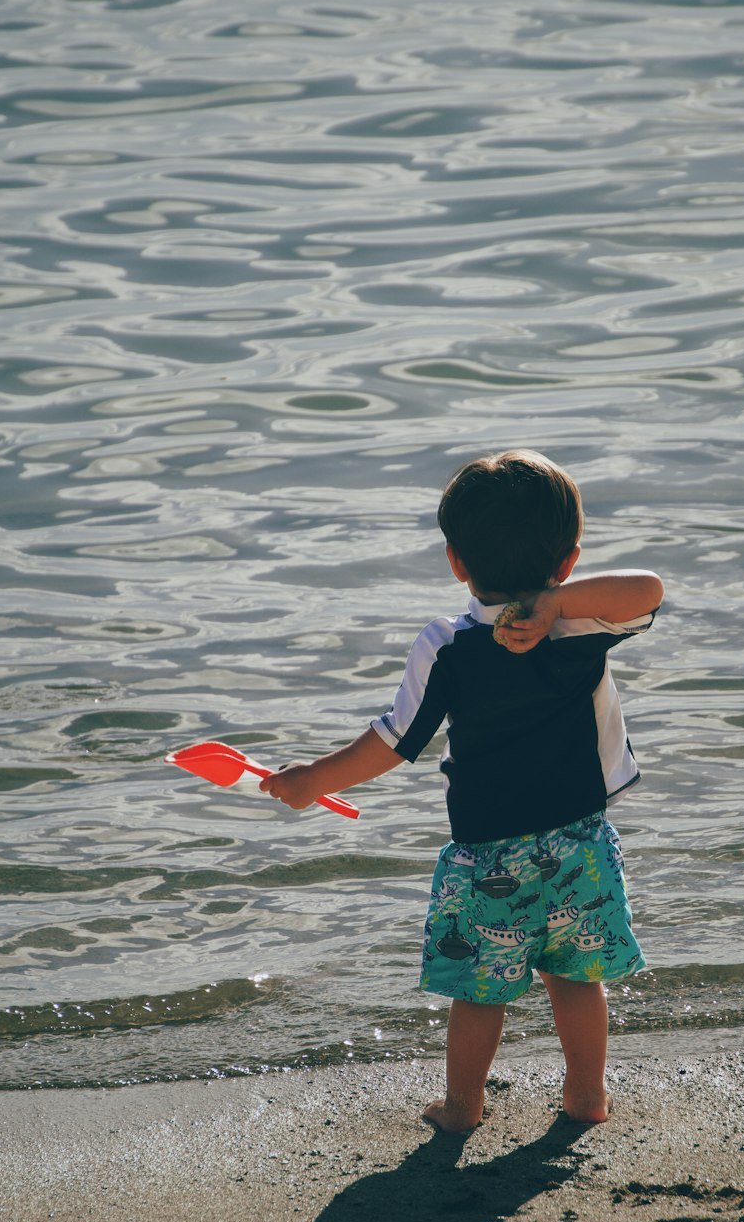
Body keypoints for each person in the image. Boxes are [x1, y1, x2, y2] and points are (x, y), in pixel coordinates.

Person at [260, 450, 663, 1132]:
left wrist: (311, 781)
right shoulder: (579, 623)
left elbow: (392, 742)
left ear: (456, 561)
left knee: (480, 993)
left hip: (489, 858)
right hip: (580, 846)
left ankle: (462, 1105)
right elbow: (648, 589)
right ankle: (586, 1097)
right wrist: (558, 603)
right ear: (568, 560)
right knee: (575, 980)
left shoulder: (447, 643)